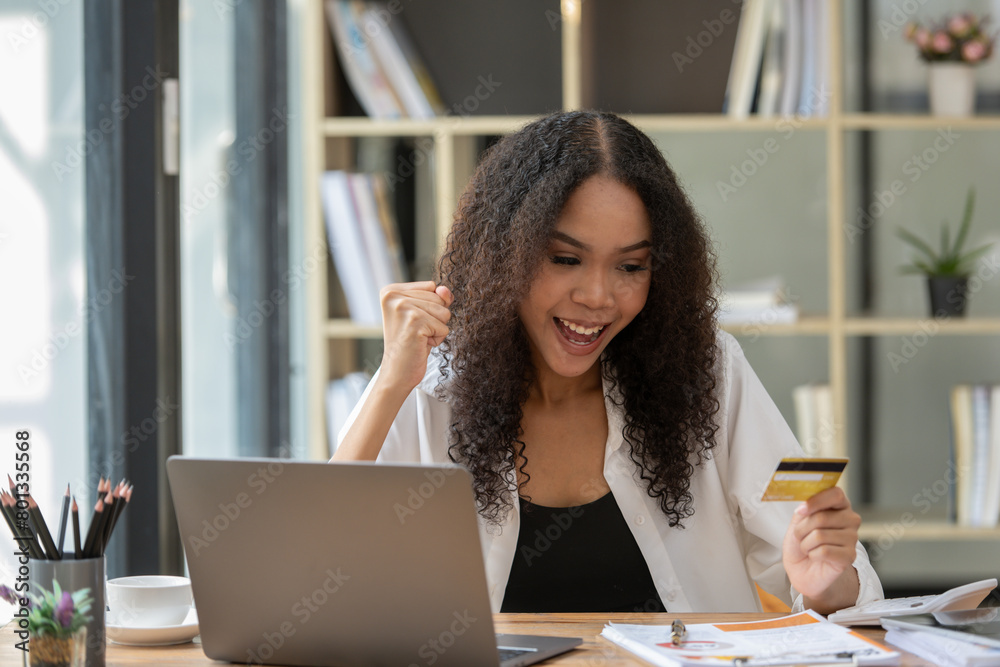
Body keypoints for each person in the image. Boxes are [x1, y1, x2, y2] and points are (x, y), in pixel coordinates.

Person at [332, 110, 883, 614]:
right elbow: (321, 583)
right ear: (503, 253)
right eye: (565, 258)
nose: (597, 297)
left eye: (630, 267)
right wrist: (389, 383)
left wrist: (827, 583)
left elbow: (822, 564)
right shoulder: (432, 384)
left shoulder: (709, 370)